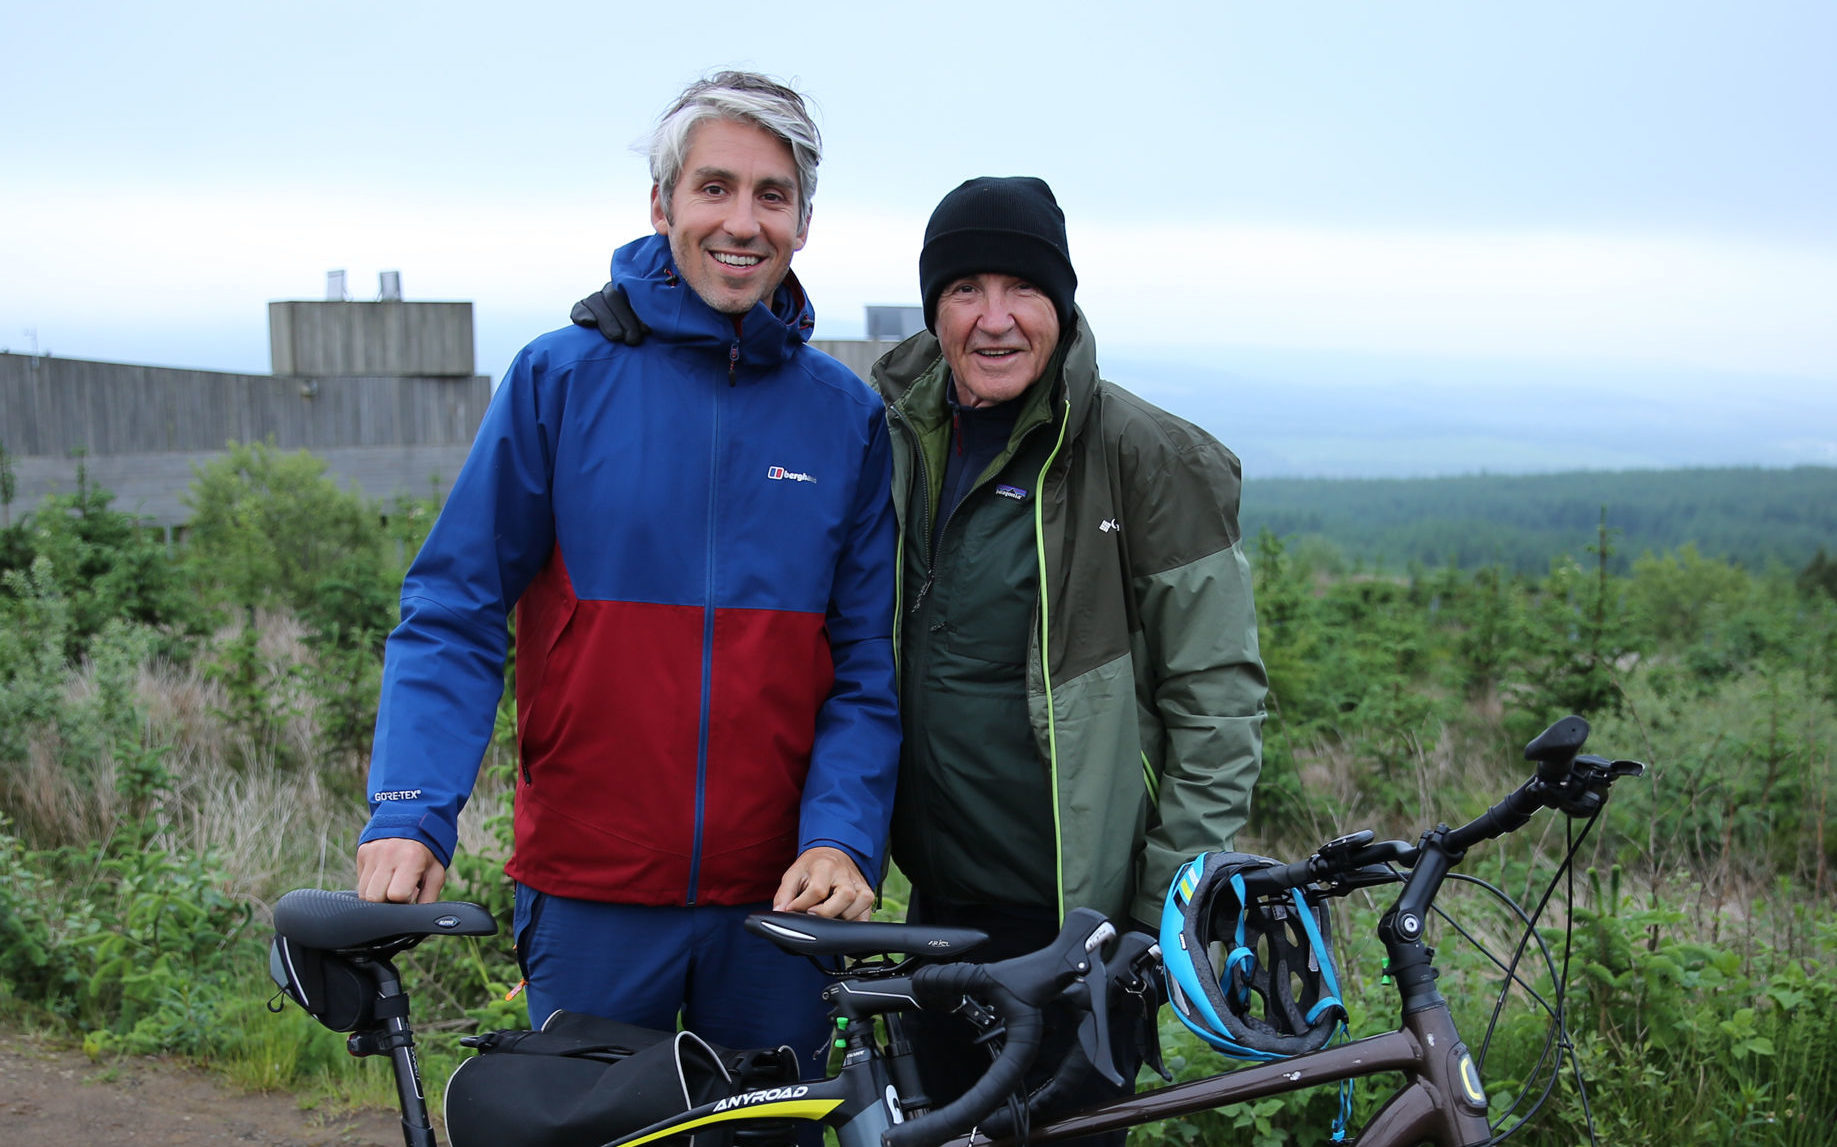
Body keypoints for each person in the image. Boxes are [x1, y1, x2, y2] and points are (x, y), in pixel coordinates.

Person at [355, 71, 901, 1072]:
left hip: (779, 902)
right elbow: (455, 607)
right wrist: (411, 808)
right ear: (663, 204)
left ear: (804, 221)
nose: (742, 222)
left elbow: (863, 664)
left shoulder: (845, 417)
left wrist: (842, 839)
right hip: (592, 887)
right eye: (714, 187)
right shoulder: (558, 379)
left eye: (771, 195)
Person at [873, 176, 1268, 1127]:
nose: (995, 319)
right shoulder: (893, 434)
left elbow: (1217, 702)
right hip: (935, 909)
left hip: (1079, 927)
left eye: (1025, 291)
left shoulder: (1145, 454)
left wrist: (1151, 920)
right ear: (935, 307)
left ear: (1064, 303)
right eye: (967, 289)